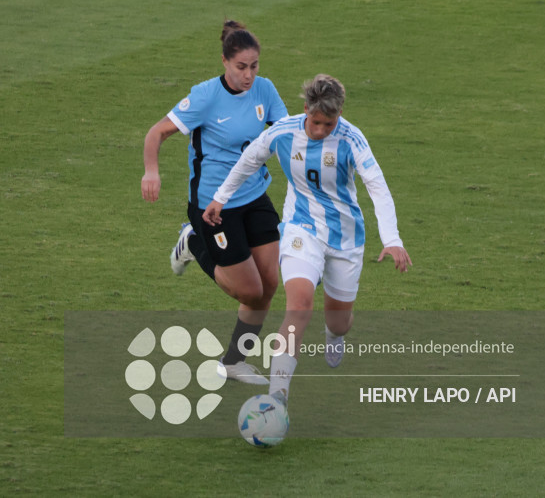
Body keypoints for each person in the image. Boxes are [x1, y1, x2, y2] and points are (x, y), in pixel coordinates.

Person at [202, 74, 412, 401]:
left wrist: (392, 238)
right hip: (302, 228)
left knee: (339, 321)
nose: (321, 131)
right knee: (298, 305)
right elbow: (250, 160)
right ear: (305, 111)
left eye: (329, 124)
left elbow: (378, 187)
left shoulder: (351, 139)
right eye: (316, 122)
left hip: (345, 237)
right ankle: (277, 396)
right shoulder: (284, 131)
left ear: (339, 116)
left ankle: (334, 334)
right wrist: (220, 197)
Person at [141, 20, 288, 385]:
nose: (249, 75)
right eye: (241, 67)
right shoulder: (206, 97)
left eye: (254, 66)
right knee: (249, 290)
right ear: (224, 62)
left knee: (269, 284)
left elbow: (285, 136)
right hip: (213, 206)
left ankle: (234, 362)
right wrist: (151, 172)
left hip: (254, 196)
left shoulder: (265, 91)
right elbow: (157, 132)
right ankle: (192, 242)